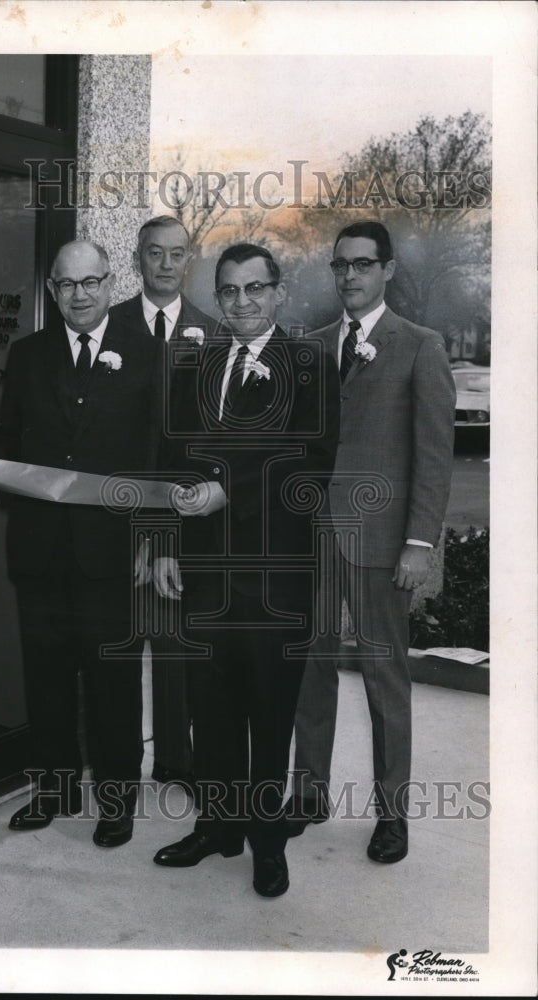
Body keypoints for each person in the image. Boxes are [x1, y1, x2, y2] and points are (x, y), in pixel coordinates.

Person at [151, 243, 339, 897]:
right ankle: (219, 827)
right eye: (228, 291)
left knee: (270, 709)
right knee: (212, 706)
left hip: (276, 574)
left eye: (254, 289)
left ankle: (266, 840)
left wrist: (228, 489)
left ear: (278, 292)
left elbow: (311, 459)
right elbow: (171, 457)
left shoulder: (311, 366)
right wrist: (167, 543)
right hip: (205, 569)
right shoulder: (195, 366)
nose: (241, 302)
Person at [286, 220, 456, 865]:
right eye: (340, 266)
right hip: (316, 540)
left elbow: (434, 457)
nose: (349, 276)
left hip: (383, 542)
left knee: (386, 679)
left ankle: (392, 817)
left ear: (386, 270)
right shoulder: (314, 346)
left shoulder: (419, 345)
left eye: (362, 264)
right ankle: (309, 792)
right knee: (311, 670)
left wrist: (419, 542)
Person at [0, 239, 164, 849]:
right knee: (45, 674)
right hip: (39, 551)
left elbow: (158, 460)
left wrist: (154, 539)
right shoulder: (26, 356)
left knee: (112, 681)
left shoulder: (147, 356)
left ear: (108, 281)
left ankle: (117, 800)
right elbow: (11, 445)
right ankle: (55, 789)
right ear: (52, 288)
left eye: (90, 282)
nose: (80, 295)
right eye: (67, 285)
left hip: (112, 552)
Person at [109, 216, 216, 797]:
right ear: (138, 259)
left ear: (190, 259)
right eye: (155, 253)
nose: (166, 264)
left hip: (181, 519)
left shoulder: (212, 333)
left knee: (177, 648)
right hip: (115, 518)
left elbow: (205, 446)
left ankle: (178, 762)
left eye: (177, 254)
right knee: (118, 647)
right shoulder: (109, 326)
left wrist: (166, 533)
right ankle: (117, 767)